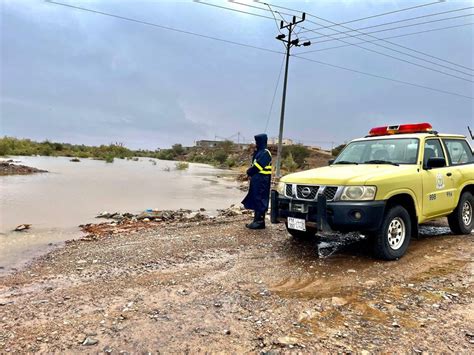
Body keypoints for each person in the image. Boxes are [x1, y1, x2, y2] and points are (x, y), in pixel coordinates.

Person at [242, 134, 272, 229]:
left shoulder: (266, 153)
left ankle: (260, 222)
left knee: (260, 198)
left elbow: (258, 166)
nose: (256, 144)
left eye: (257, 142)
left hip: (262, 180)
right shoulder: (259, 152)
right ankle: (256, 220)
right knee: (255, 198)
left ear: (261, 142)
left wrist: (249, 172)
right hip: (257, 180)